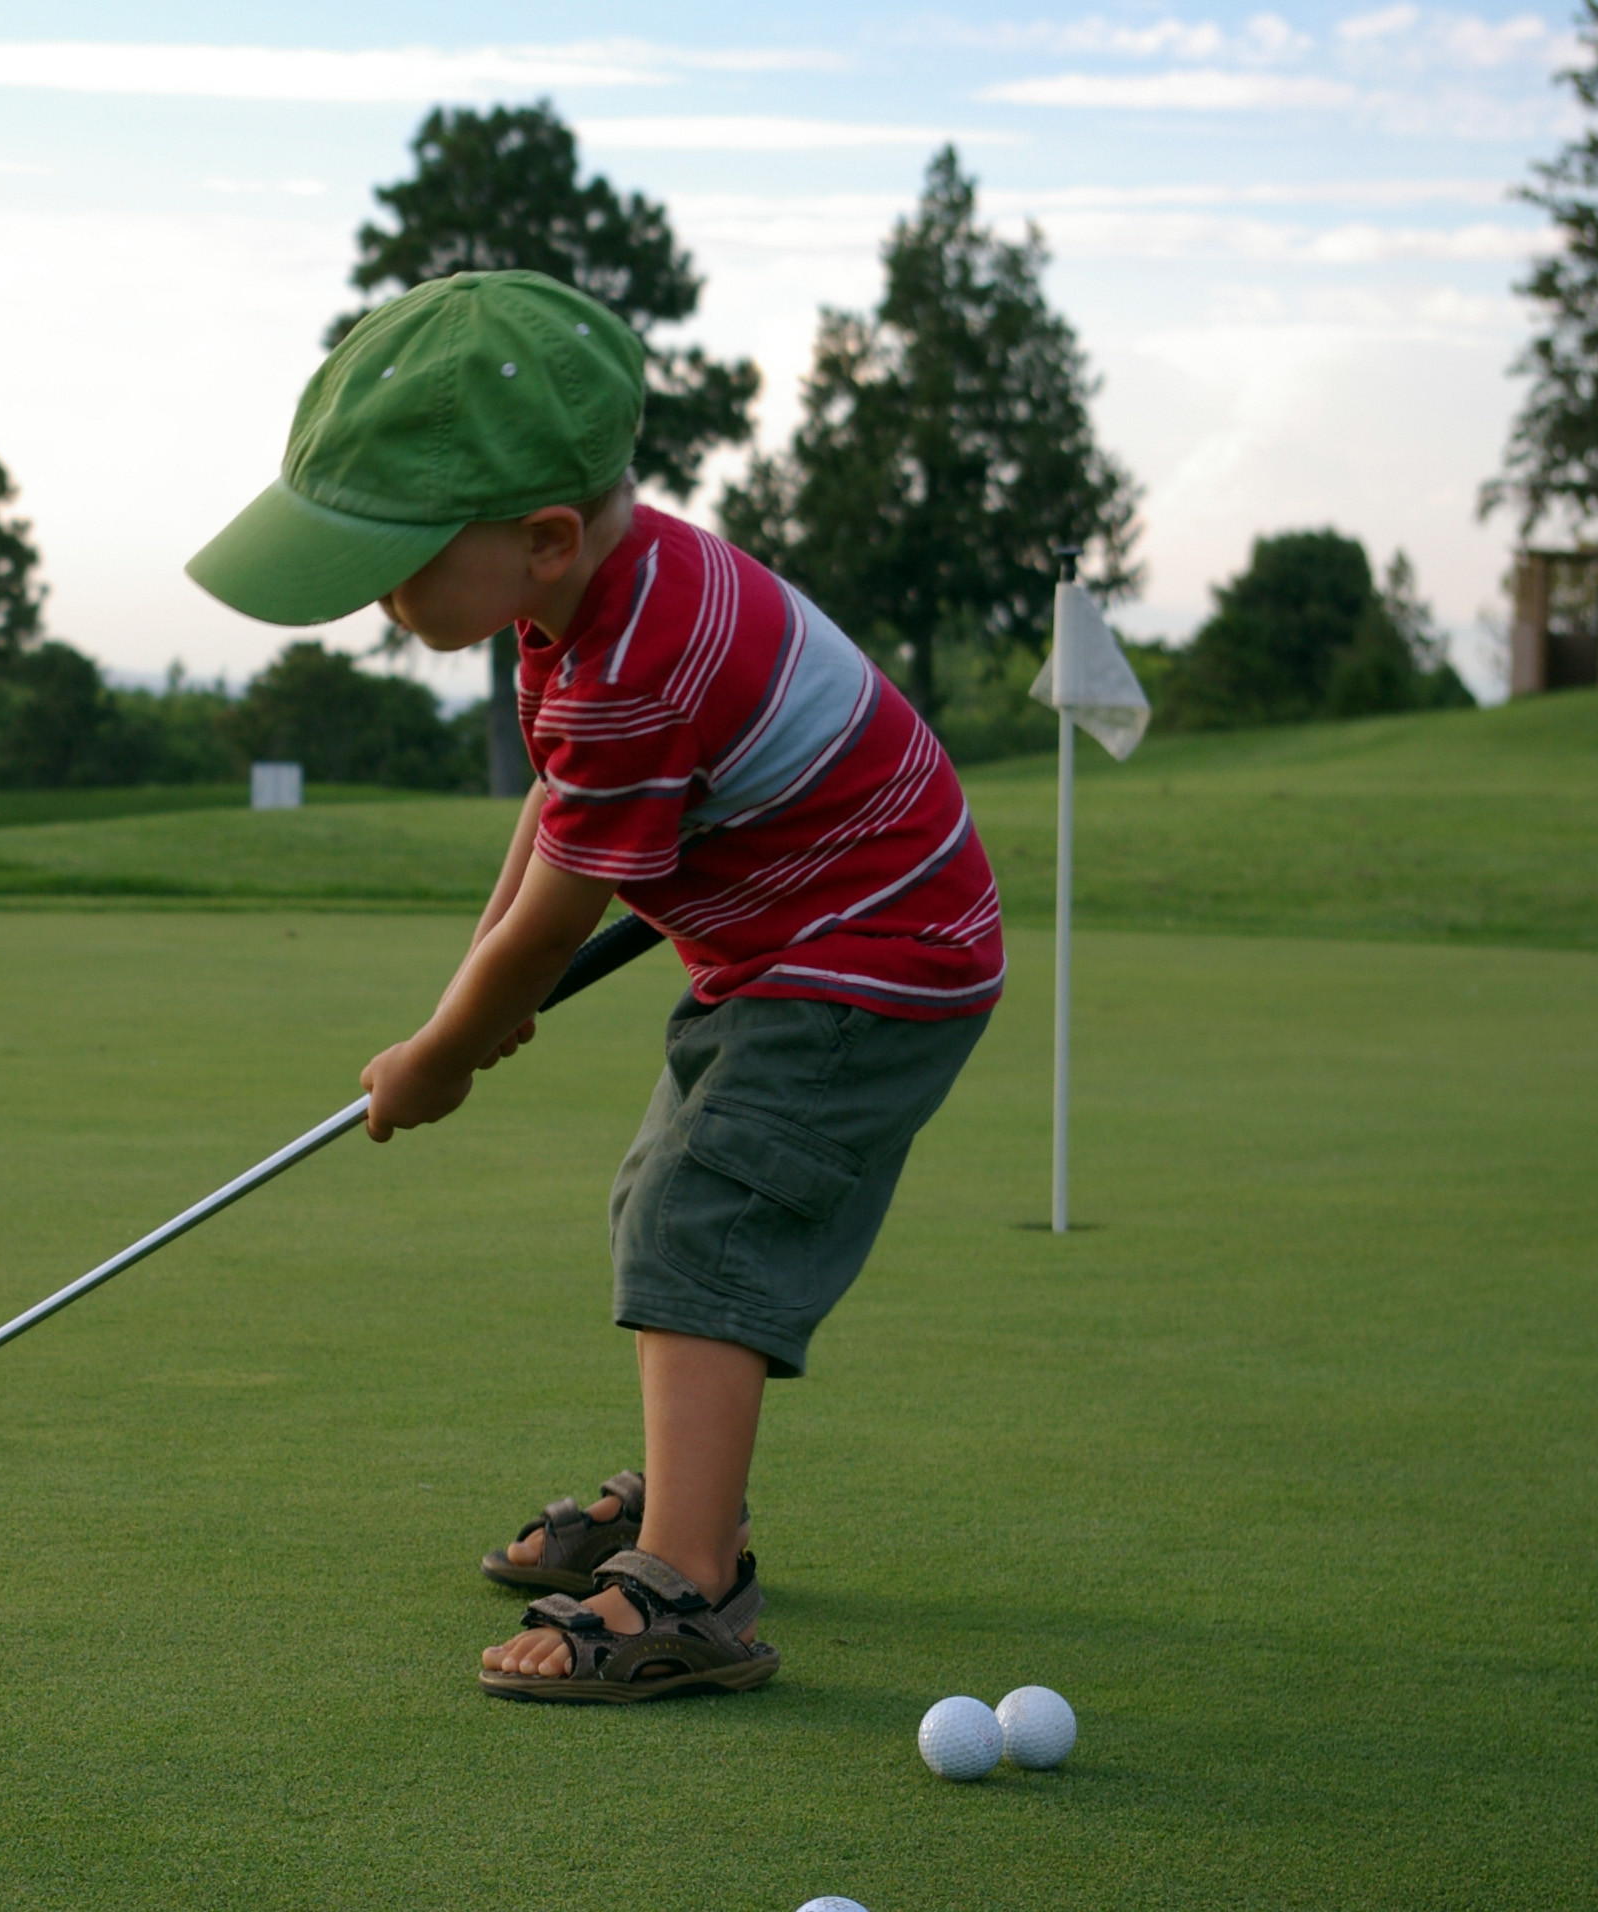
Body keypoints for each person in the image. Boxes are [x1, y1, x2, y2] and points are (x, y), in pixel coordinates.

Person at [185, 270, 1003, 1702]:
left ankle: (692, 1586)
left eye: (400, 565)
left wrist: (446, 1050)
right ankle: (701, 1502)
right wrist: (465, 1005)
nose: (382, 603)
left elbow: (560, 916)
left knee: (709, 1219)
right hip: (788, 944)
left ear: (544, 538)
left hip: (867, 957)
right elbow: (557, 828)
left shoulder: (635, 658)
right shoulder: (594, 594)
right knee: (667, 1198)